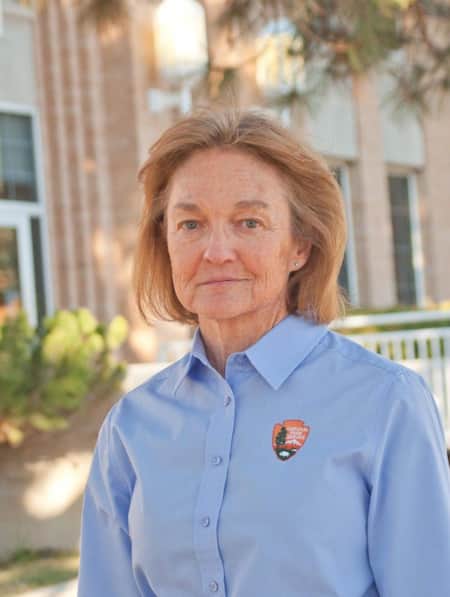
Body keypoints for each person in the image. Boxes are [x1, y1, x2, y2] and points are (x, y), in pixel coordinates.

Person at [77, 108, 450, 597]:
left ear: (300, 246)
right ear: (164, 242)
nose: (216, 251)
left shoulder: (385, 403)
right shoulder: (130, 427)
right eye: (190, 225)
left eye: (248, 222)